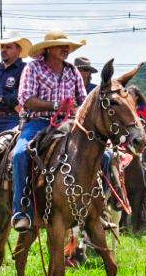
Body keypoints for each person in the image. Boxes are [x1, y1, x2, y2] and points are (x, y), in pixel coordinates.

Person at [11, 31, 88, 232]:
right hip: (38, 123)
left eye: (67, 46)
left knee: (104, 156)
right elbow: (26, 99)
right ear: (47, 49)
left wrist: (77, 111)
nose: (66, 49)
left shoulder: (73, 71)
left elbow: (84, 101)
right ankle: (21, 211)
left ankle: (97, 209)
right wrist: (57, 106)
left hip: (68, 125)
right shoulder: (33, 68)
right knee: (19, 155)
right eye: (61, 46)